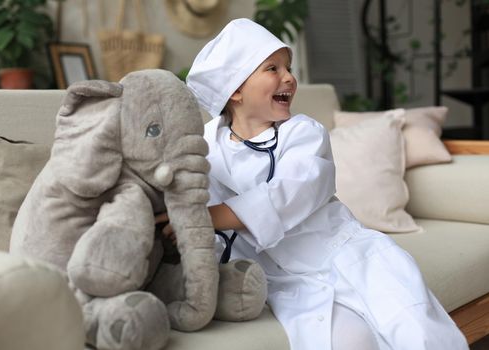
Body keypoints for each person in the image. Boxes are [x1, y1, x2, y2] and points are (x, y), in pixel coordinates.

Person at [157, 18, 468, 350]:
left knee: (413, 325)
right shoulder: (204, 147)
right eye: (272, 68)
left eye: (289, 68)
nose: (289, 78)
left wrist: (210, 216)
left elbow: (297, 189)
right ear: (234, 89)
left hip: (345, 254)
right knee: (346, 342)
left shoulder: (303, 132)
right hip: (285, 279)